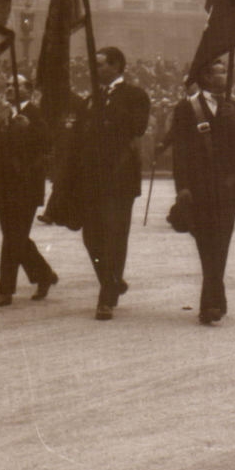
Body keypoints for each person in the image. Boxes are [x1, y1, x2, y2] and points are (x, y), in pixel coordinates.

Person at [167, 57, 235, 324]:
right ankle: (215, 299)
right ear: (204, 77)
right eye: (216, 72)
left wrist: (234, 121)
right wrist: (182, 187)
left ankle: (211, 303)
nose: (222, 76)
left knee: (221, 244)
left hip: (227, 187)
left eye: (224, 71)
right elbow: (180, 152)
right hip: (199, 188)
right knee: (206, 243)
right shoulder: (186, 108)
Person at [79, 47, 150, 321]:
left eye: (100, 65)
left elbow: (137, 127)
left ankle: (106, 298)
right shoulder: (91, 99)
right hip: (93, 178)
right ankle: (112, 280)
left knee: (115, 238)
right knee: (91, 237)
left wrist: (105, 113)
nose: (95, 70)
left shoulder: (134, 95)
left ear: (117, 66)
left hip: (120, 177)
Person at [0, 74, 57, 306]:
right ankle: (44, 274)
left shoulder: (35, 115)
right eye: (6, 85)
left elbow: (47, 145)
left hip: (25, 186)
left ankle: (5, 291)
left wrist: (30, 130)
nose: (8, 89)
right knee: (15, 237)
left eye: (14, 85)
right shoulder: (7, 116)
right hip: (5, 186)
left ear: (29, 91)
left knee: (13, 239)